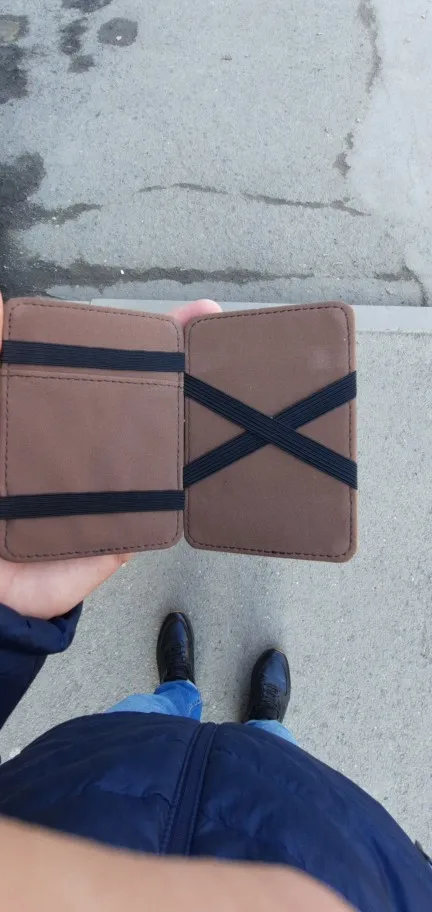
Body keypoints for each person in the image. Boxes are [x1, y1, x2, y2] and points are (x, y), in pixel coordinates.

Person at [0, 299, 430, 912]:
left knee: (148, 714)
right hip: (305, 824)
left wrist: (6, 622)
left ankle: (179, 691)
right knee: (274, 753)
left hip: (94, 778)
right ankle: (263, 725)